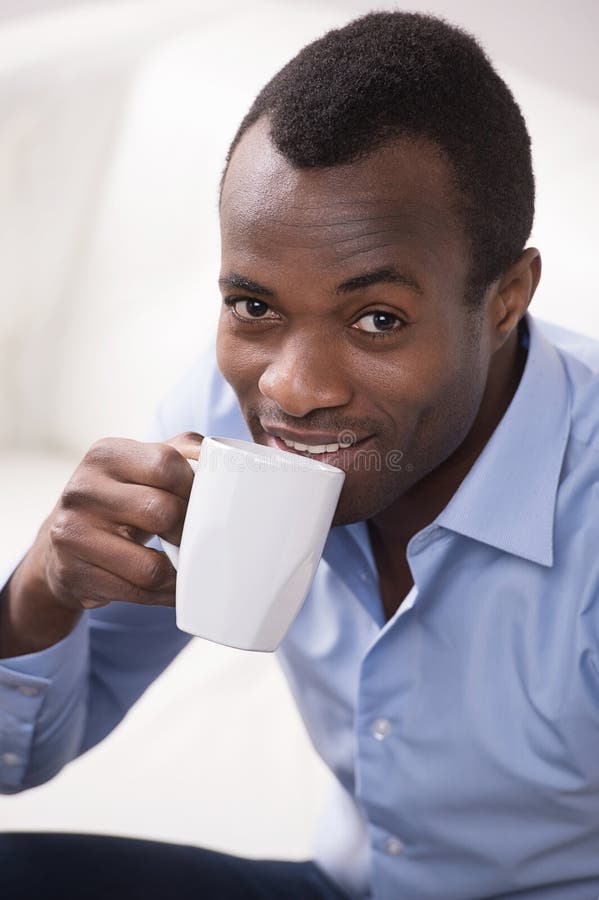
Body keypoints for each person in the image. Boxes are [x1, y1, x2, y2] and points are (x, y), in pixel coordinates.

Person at [1, 10, 599, 900]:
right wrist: (40, 595)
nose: (291, 388)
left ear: (506, 298)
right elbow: (22, 763)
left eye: (378, 320)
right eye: (253, 306)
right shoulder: (220, 423)